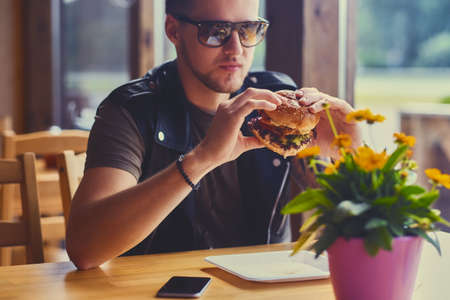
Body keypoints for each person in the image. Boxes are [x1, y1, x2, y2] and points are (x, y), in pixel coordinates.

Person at [66, 0, 361, 270]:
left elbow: (364, 220)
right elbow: (85, 248)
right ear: (173, 30)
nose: (236, 49)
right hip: (161, 289)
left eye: (248, 30)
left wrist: (352, 150)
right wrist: (202, 159)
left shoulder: (275, 106)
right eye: (215, 31)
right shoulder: (132, 109)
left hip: (263, 288)